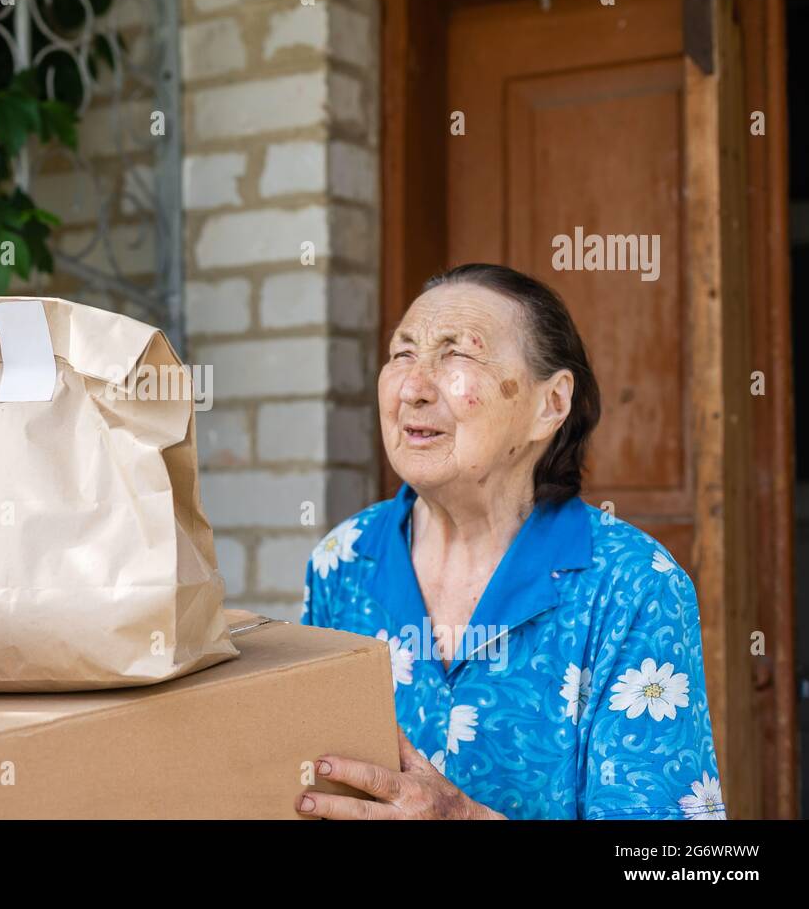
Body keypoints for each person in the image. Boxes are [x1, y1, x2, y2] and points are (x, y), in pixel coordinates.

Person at [295, 264, 725, 820]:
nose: (412, 388)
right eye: (402, 355)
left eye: (457, 355)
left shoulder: (633, 584)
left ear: (551, 404)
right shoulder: (342, 560)